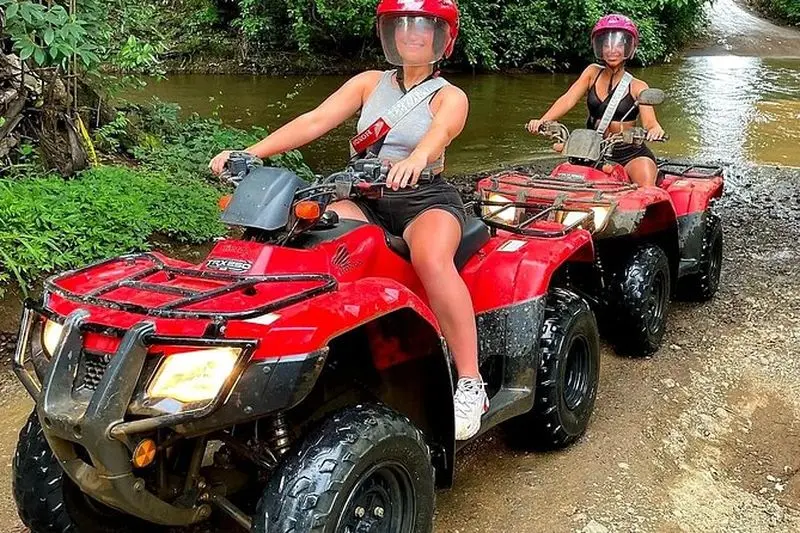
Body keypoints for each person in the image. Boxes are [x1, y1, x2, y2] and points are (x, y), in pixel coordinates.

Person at [209, 0, 488, 440]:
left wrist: (416, 158)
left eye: (424, 28)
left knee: (433, 259)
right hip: (362, 194)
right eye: (404, 27)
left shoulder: (450, 95)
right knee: (308, 242)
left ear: (442, 39)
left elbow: (440, 135)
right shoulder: (367, 83)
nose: (412, 35)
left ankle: (470, 380)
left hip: (423, 197)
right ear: (390, 34)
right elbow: (315, 120)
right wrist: (252, 153)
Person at [526, 14, 666, 187]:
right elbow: (568, 99)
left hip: (628, 152)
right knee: (561, 181)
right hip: (591, 151)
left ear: (628, 47)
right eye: (606, 45)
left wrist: (654, 130)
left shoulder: (638, 86)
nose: (611, 50)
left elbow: (651, 124)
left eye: (618, 45)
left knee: (646, 186)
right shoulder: (592, 72)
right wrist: (543, 120)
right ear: (599, 47)